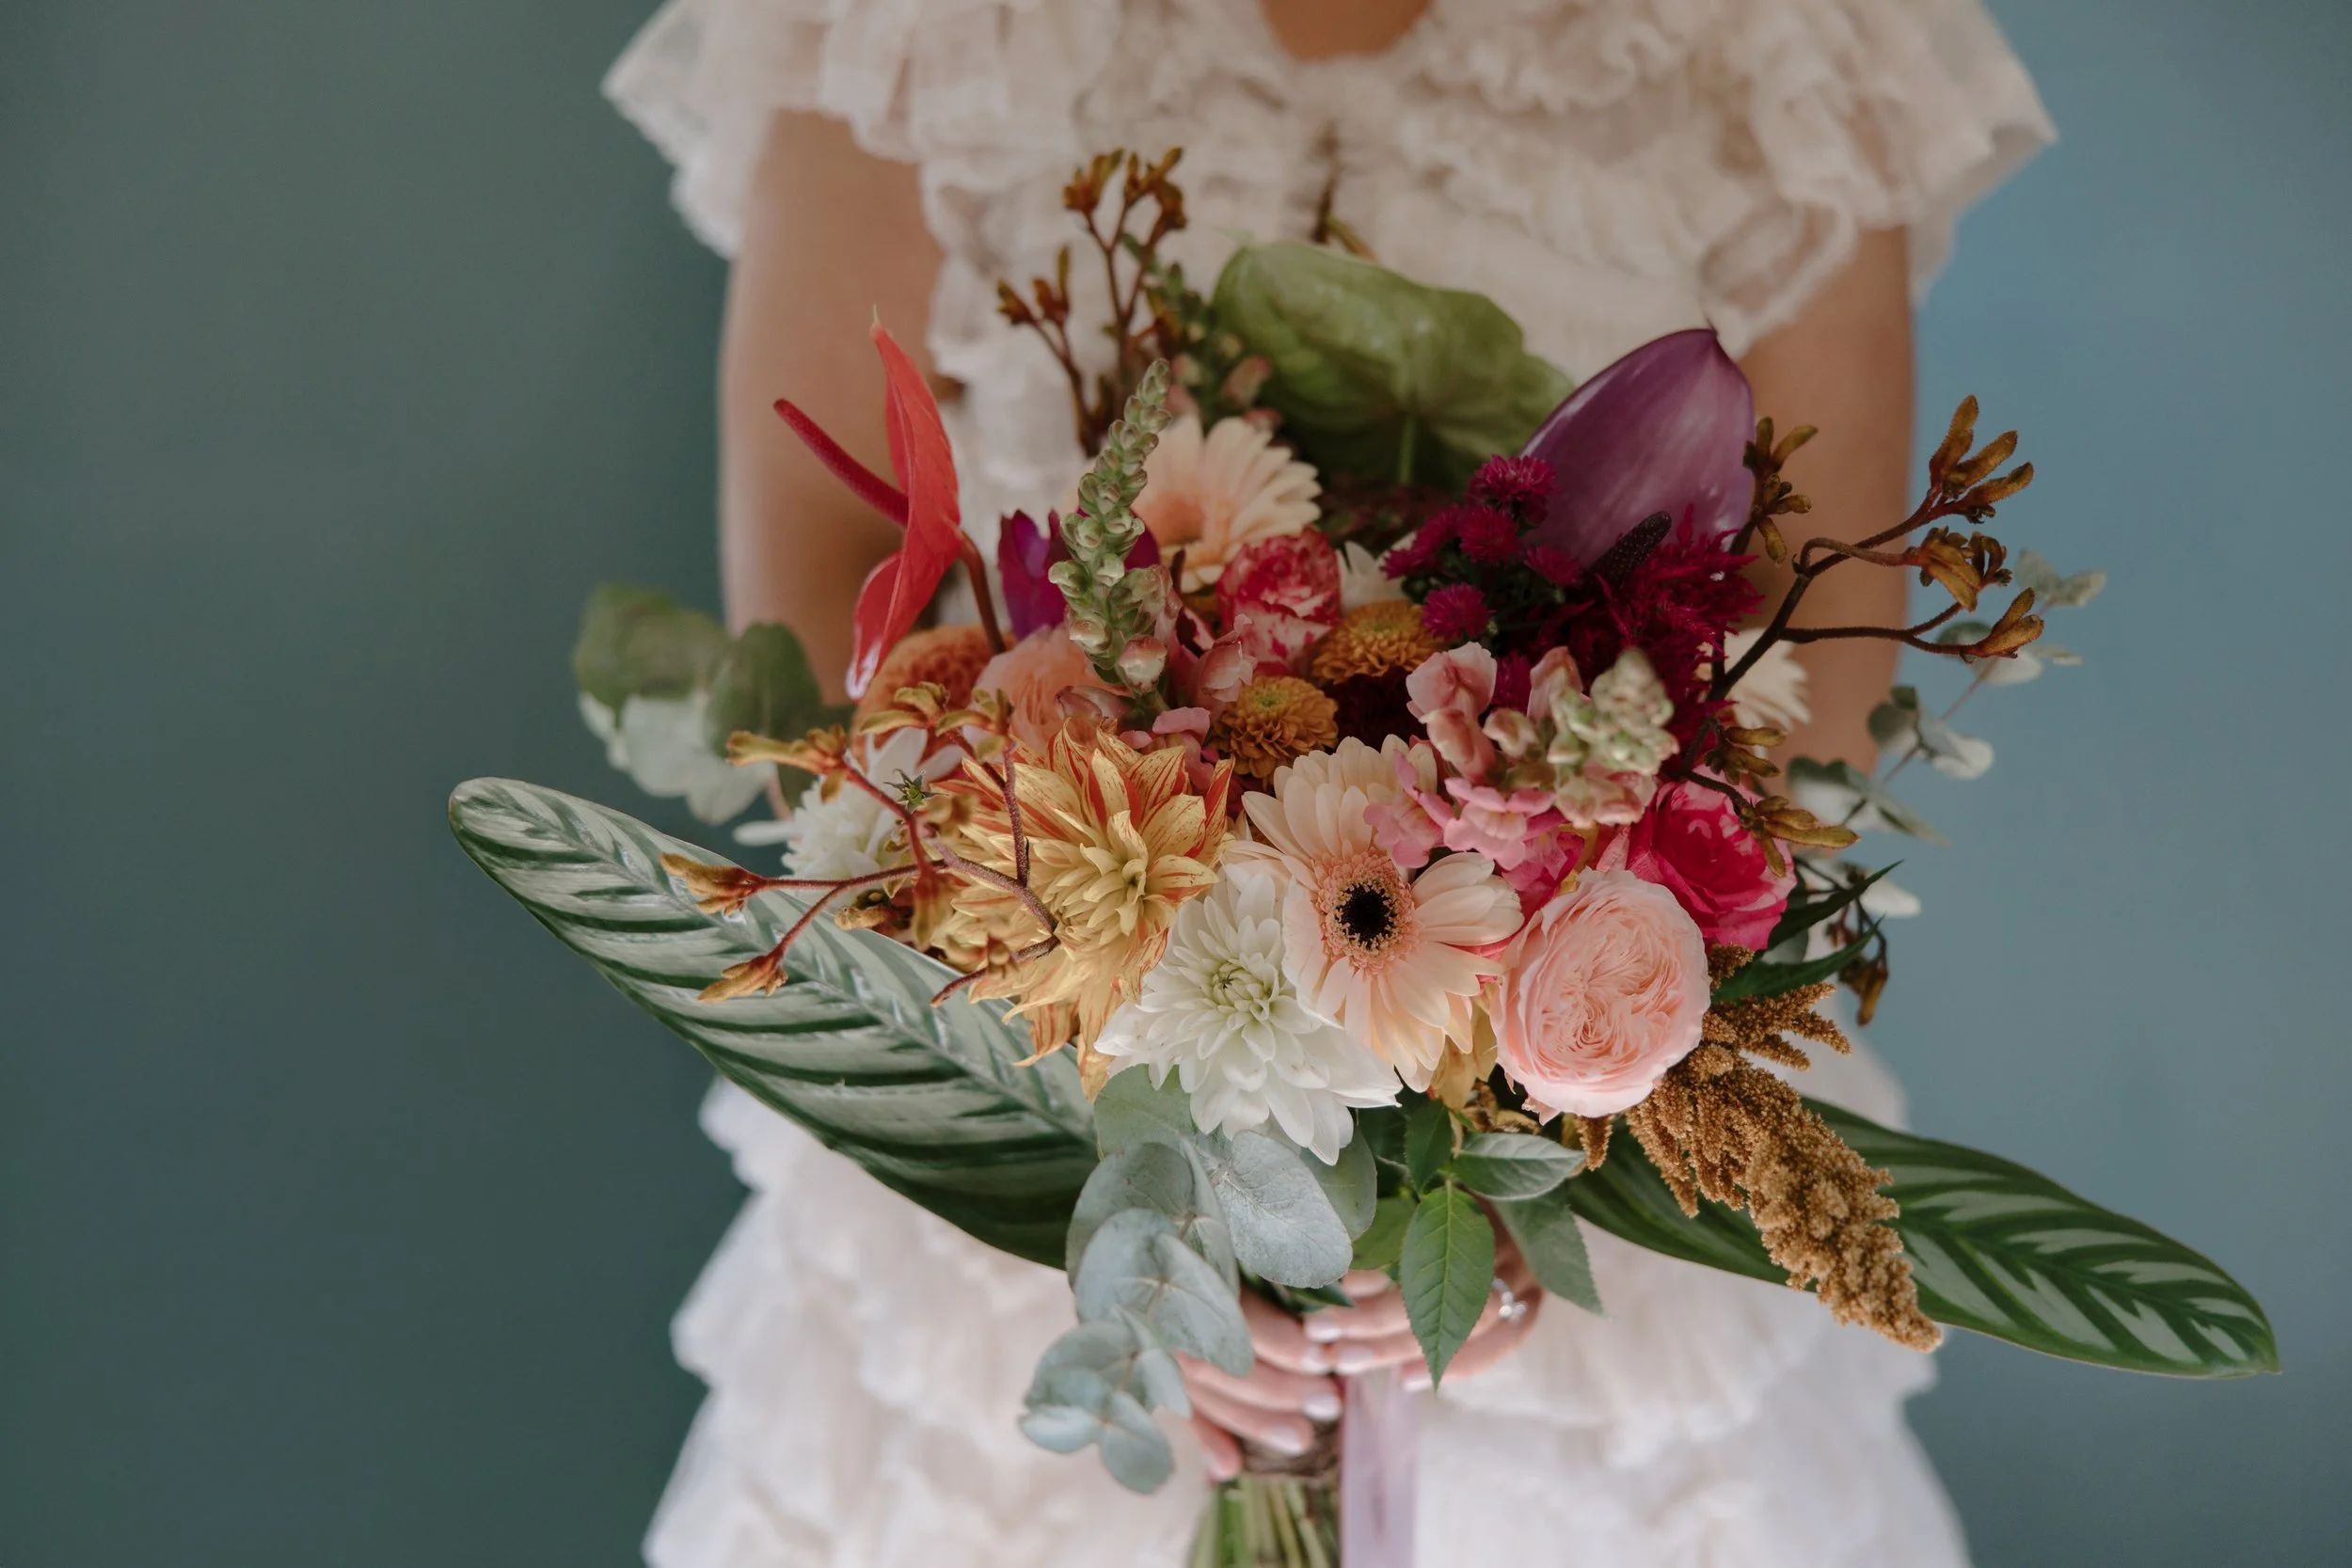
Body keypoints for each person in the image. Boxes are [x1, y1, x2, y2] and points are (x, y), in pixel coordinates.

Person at [605, 3, 2052, 1563]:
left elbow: (1815, 698)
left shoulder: (1792, 41)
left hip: (1589, 1152)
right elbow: (830, 619)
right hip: (1019, 1046)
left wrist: (1523, 1143)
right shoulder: (908, 27)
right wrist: (1106, 1185)